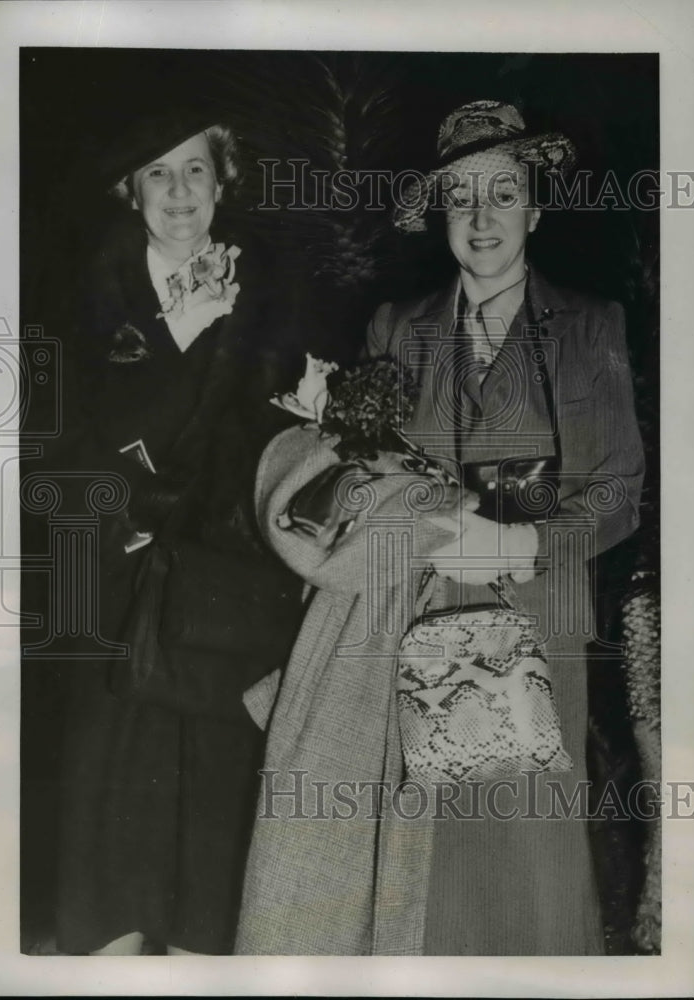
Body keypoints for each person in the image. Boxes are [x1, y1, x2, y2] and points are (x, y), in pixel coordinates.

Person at [234, 100, 644, 955]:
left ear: (534, 210)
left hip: (538, 617)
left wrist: (527, 541)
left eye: (502, 194)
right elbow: (365, 466)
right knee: (426, 850)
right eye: (460, 199)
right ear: (441, 217)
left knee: (527, 843)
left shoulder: (589, 324)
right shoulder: (398, 326)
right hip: (416, 614)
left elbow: (616, 491)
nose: (481, 217)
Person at [51, 108, 303, 955]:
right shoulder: (79, 294)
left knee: (211, 834)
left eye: (195, 168)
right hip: (114, 592)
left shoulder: (269, 293)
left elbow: (281, 441)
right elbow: (69, 456)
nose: (180, 191)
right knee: (111, 831)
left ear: (222, 181)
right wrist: (180, 335)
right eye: (157, 173)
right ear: (131, 192)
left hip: (222, 599)